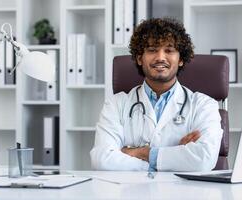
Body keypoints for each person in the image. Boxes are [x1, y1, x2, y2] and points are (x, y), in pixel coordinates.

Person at [90, 18, 223, 172]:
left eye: (169, 50)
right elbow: (101, 160)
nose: (160, 57)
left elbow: (204, 159)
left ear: (181, 59)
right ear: (140, 58)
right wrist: (173, 159)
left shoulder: (203, 105)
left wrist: (140, 153)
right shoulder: (116, 104)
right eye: (152, 49)